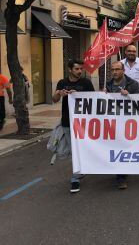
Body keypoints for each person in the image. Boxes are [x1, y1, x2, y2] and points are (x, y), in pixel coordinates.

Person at [52, 59, 94, 193]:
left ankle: (82, 169)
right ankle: (75, 177)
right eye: (76, 69)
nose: (80, 71)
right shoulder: (62, 83)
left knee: (84, 148)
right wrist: (59, 93)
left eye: (81, 69)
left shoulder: (86, 83)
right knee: (74, 150)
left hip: (84, 123)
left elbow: (94, 99)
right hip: (67, 122)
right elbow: (54, 99)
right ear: (70, 69)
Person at [106, 61, 139, 189]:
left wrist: (129, 96)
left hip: (129, 121)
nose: (114, 72)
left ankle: (125, 169)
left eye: (117, 69)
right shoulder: (108, 85)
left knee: (127, 147)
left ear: (123, 71)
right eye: (112, 70)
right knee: (117, 147)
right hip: (113, 122)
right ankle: (120, 176)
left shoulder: (133, 84)